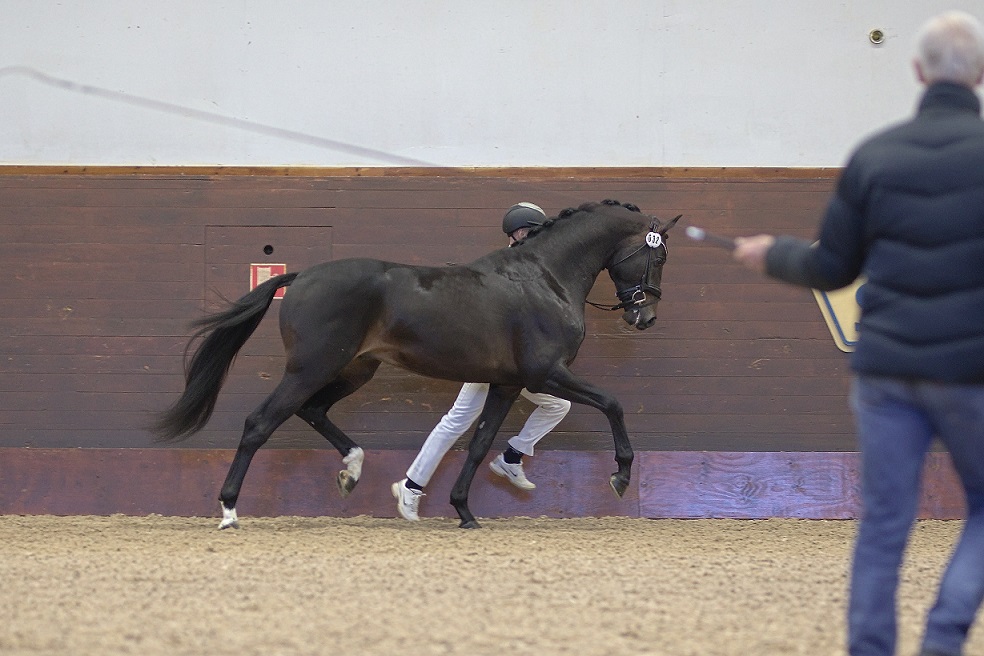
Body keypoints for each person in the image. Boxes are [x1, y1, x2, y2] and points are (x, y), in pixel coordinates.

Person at [731, 11, 984, 656]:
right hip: (970, 373)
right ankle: (944, 636)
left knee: (883, 525)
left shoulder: (874, 155)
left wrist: (773, 252)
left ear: (918, 72)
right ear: (979, 75)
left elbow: (831, 266)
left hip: (885, 371)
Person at [391, 202, 572, 521]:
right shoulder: (512, 265)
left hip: (514, 366)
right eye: (532, 232)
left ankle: (512, 456)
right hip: (490, 361)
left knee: (557, 404)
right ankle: (411, 486)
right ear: (522, 233)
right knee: (456, 422)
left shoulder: (527, 264)